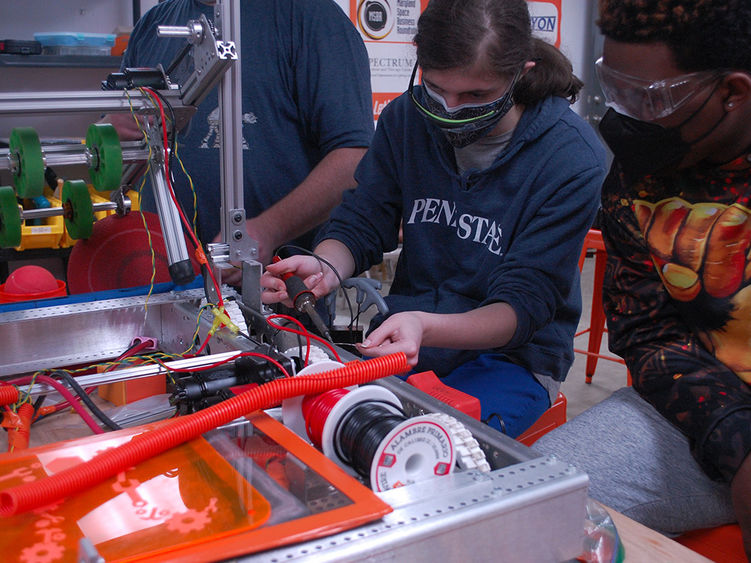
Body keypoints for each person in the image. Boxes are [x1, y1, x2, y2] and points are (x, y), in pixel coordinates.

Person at [261, 0, 607, 438]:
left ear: (521, 70)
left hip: (512, 360)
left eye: (476, 96)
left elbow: (522, 307)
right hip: (411, 342)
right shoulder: (406, 119)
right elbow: (363, 219)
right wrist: (326, 266)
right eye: (436, 88)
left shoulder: (569, 157)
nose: (449, 110)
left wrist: (423, 324)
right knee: (319, 428)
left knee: (418, 451)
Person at [533, 0, 751, 557]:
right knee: (524, 501)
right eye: (615, 88)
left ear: (733, 93)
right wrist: (738, 439)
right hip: (698, 410)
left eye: (651, 99)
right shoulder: (639, 172)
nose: (626, 117)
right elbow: (647, 330)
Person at [106, 0, 373, 271]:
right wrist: (114, 135)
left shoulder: (311, 17)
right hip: (166, 275)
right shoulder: (154, 24)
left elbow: (354, 159)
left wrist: (269, 230)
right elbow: (125, 162)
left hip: (276, 285)